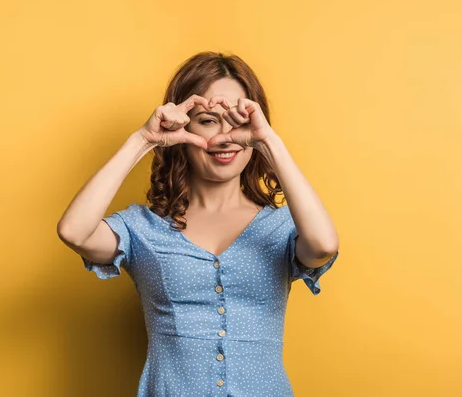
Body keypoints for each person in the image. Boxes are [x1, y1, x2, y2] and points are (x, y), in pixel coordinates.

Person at [57, 51, 340, 396]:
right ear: (181, 126)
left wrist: (269, 142)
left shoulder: (282, 228)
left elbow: (324, 246)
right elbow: (74, 231)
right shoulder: (142, 229)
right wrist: (143, 140)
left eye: (239, 121)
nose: (225, 137)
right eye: (207, 120)